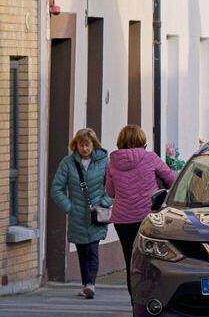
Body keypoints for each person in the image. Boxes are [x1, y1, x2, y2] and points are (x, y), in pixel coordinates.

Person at [104, 125, 176, 282]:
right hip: (147, 218)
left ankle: (134, 302)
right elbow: (172, 180)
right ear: (141, 140)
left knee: (131, 261)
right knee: (151, 260)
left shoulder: (113, 162)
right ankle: (150, 300)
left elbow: (110, 192)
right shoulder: (150, 158)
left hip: (123, 220)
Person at [49, 129, 112, 298]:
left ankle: (91, 284)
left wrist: (104, 203)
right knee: (82, 251)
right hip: (77, 215)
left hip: (96, 215)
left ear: (94, 145)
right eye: (81, 145)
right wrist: (69, 207)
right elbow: (56, 188)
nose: (84, 148)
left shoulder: (104, 162)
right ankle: (86, 284)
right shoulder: (68, 163)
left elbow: (113, 187)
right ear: (75, 145)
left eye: (87, 145)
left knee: (92, 249)